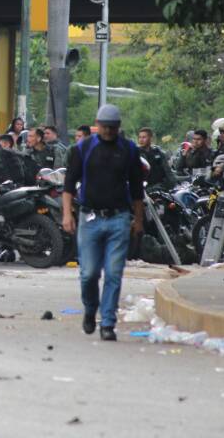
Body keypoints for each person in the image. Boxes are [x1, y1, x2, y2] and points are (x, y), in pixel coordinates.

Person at [61, 103, 144, 341]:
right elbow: (69, 185)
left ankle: (108, 323)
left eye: (112, 127)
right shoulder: (84, 148)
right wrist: (67, 214)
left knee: (114, 273)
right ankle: (90, 308)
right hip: (89, 218)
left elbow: (137, 190)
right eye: (104, 127)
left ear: (118, 127)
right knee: (88, 273)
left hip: (118, 218)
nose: (108, 131)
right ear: (97, 125)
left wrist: (138, 220)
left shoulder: (128, 150)